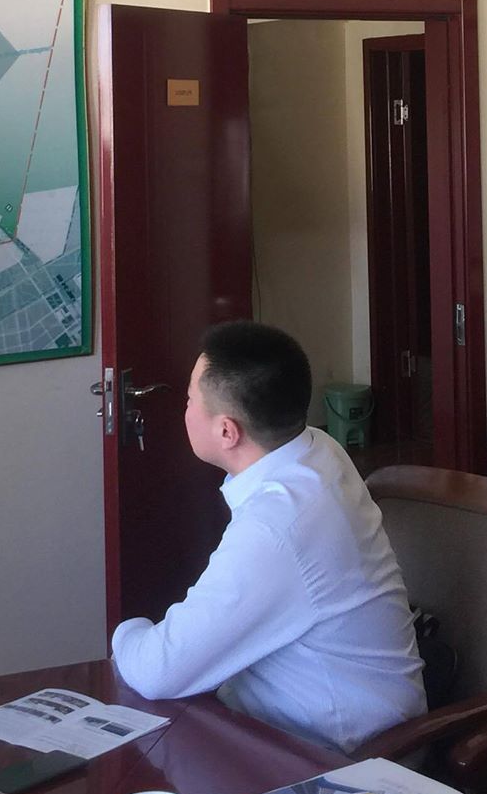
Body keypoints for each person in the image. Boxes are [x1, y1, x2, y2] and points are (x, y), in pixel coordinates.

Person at [110, 320, 426, 751]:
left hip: (342, 757)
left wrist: (125, 633)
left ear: (227, 431)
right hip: (296, 719)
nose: (184, 411)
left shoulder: (278, 527)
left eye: (188, 400)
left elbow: (156, 671)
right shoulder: (317, 447)